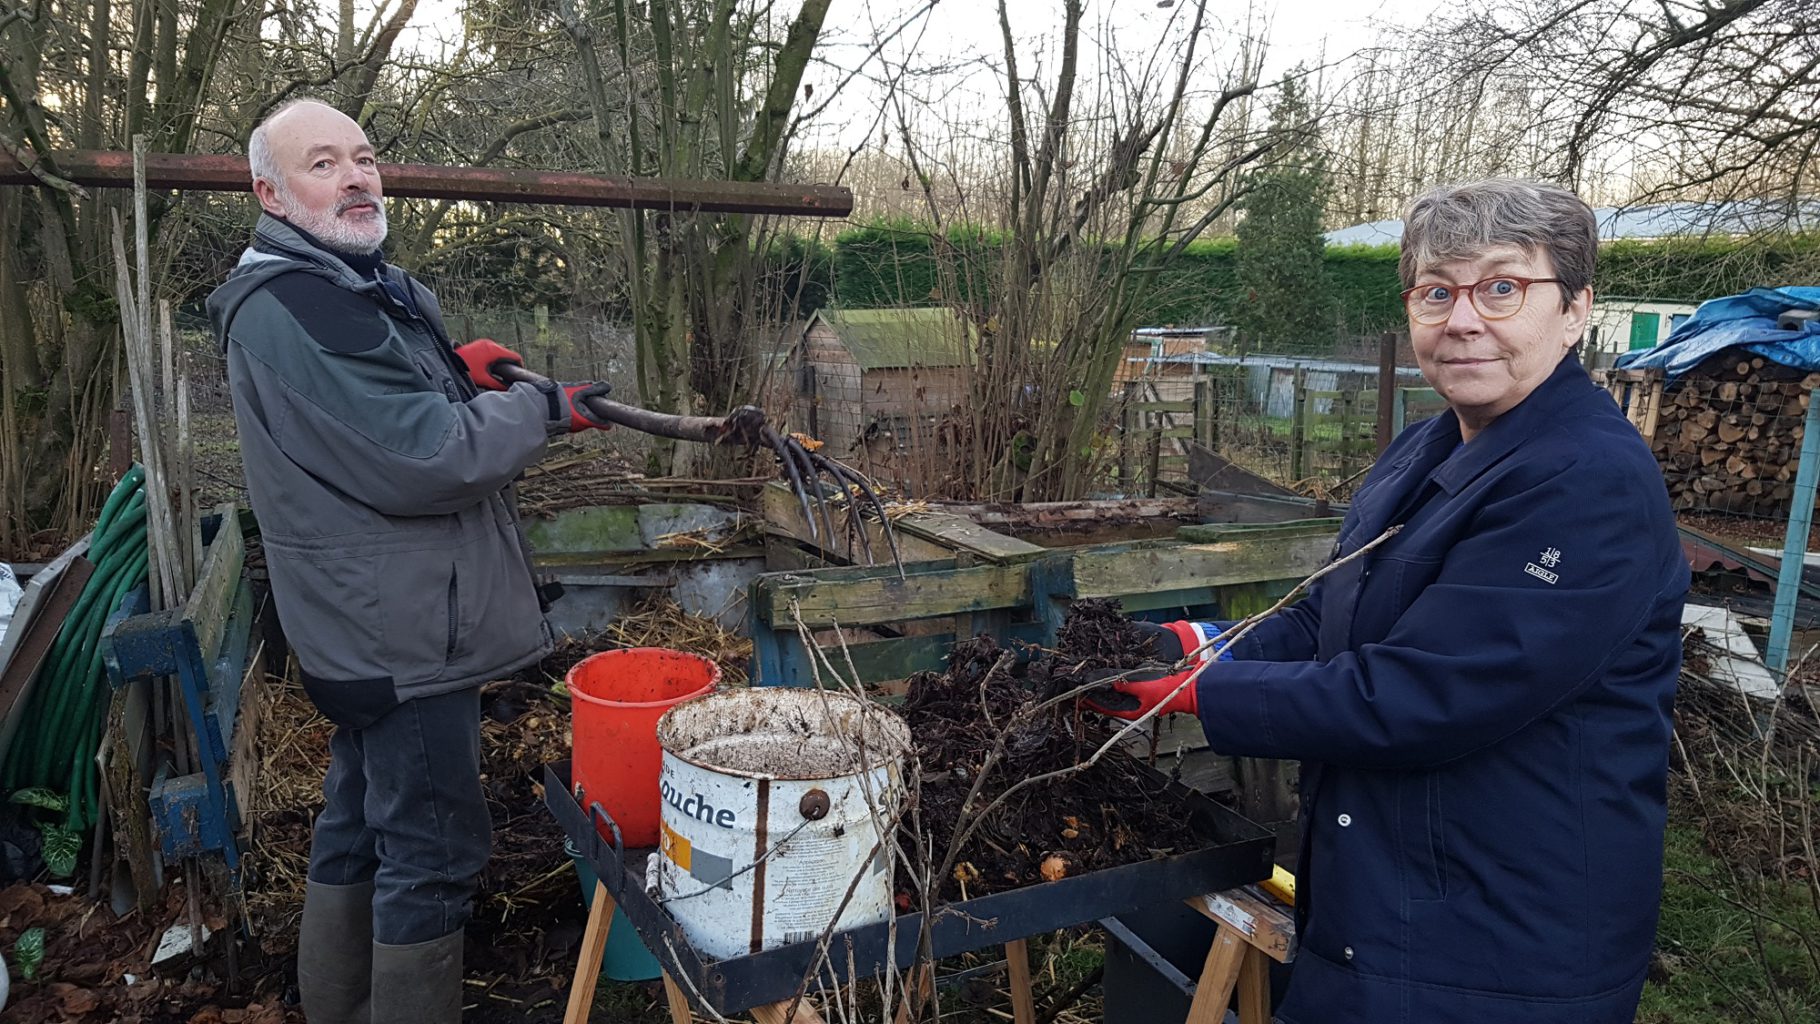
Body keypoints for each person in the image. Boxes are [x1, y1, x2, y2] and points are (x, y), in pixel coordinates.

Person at [1091, 179, 1689, 1023]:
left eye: (1503, 287)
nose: (1464, 318)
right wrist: (1201, 643)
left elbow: (1426, 694)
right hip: (1381, 909)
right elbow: (1329, 612)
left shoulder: (1586, 482)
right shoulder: (1430, 443)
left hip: (1496, 950)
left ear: (1576, 308)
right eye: (1437, 290)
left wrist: (1202, 693)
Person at [206, 98, 612, 1023]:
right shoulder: (298, 304)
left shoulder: (347, 285)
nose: (356, 177)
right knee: (432, 849)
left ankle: (335, 1005)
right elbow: (427, 455)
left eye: (365, 157)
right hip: (407, 632)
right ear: (269, 191)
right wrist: (540, 409)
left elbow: (383, 408)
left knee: (358, 820)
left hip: (366, 622)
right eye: (323, 164)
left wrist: (449, 365)